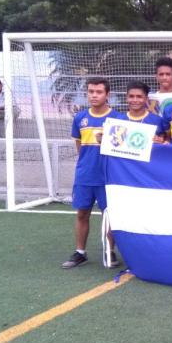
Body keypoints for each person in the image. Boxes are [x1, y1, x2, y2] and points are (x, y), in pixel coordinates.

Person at [62, 77, 124, 269]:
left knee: (110, 216)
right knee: (82, 213)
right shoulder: (80, 118)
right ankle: (80, 252)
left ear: (108, 95)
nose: (94, 95)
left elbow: (121, 148)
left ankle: (109, 252)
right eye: (90, 91)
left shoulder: (118, 119)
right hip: (85, 176)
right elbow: (80, 148)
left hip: (109, 176)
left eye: (98, 92)